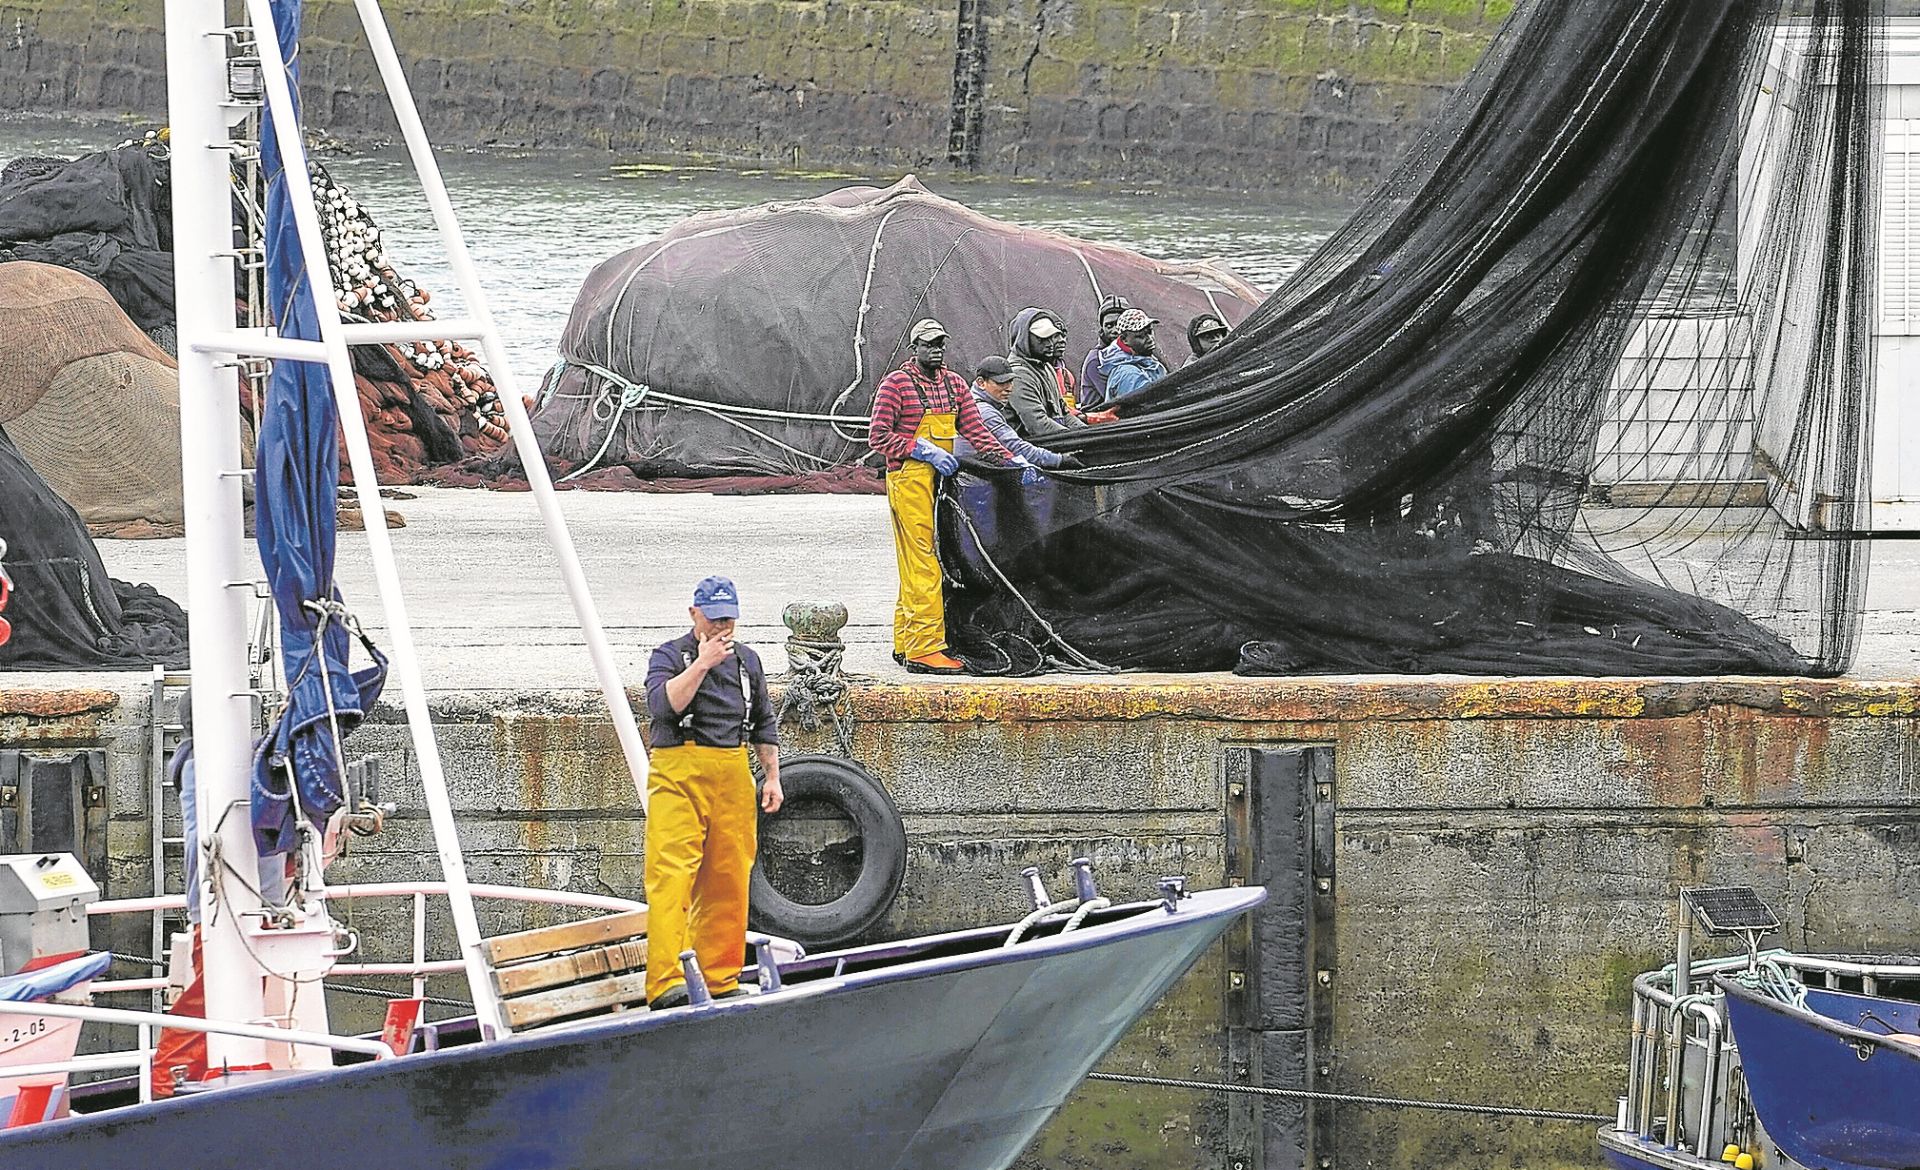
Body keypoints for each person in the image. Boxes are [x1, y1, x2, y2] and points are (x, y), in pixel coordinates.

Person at [642, 576, 784, 1010]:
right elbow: (664, 706)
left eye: (730, 620)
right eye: (715, 618)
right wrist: (701, 663)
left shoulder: (748, 662)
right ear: (694, 615)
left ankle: (720, 976)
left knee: (729, 876)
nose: (724, 628)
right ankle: (665, 981)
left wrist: (772, 776)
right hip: (677, 769)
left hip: (731, 770)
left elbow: (763, 722)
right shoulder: (669, 656)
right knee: (672, 874)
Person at [868, 318, 1038, 675]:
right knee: (924, 562)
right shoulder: (895, 385)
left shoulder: (954, 384)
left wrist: (1011, 460)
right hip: (910, 480)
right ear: (913, 348)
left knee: (921, 563)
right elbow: (878, 437)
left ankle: (905, 640)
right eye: (928, 344)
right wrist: (922, 450)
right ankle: (925, 649)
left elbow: (977, 431)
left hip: (940, 482)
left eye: (940, 344)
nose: (936, 350)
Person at [1007, 307, 1117, 440]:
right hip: (1031, 447)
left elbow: (1064, 413)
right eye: (1041, 339)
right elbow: (1039, 426)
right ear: (1024, 339)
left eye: (1050, 337)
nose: (1049, 344)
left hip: (1055, 439)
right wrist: (1079, 440)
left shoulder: (1046, 367)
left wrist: (1087, 435)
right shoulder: (1018, 375)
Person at [956, 355, 1074, 469]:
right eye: (1001, 382)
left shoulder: (982, 404)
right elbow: (1015, 447)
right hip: (975, 482)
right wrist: (1059, 460)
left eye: (1010, 381)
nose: (1009, 388)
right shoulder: (985, 412)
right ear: (981, 383)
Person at [1100, 308, 1170, 403]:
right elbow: (1149, 406)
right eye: (1140, 336)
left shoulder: (1149, 363)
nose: (1150, 339)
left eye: (1149, 332)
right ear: (1125, 340)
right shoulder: (1127, 374)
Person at [1078, 294, 1131, 409]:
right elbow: (1121, 399)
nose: (1115, 330)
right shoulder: (1097, 360)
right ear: (1102, 328)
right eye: (1109, 325)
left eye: (1119, 324)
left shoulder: (1135, 353)